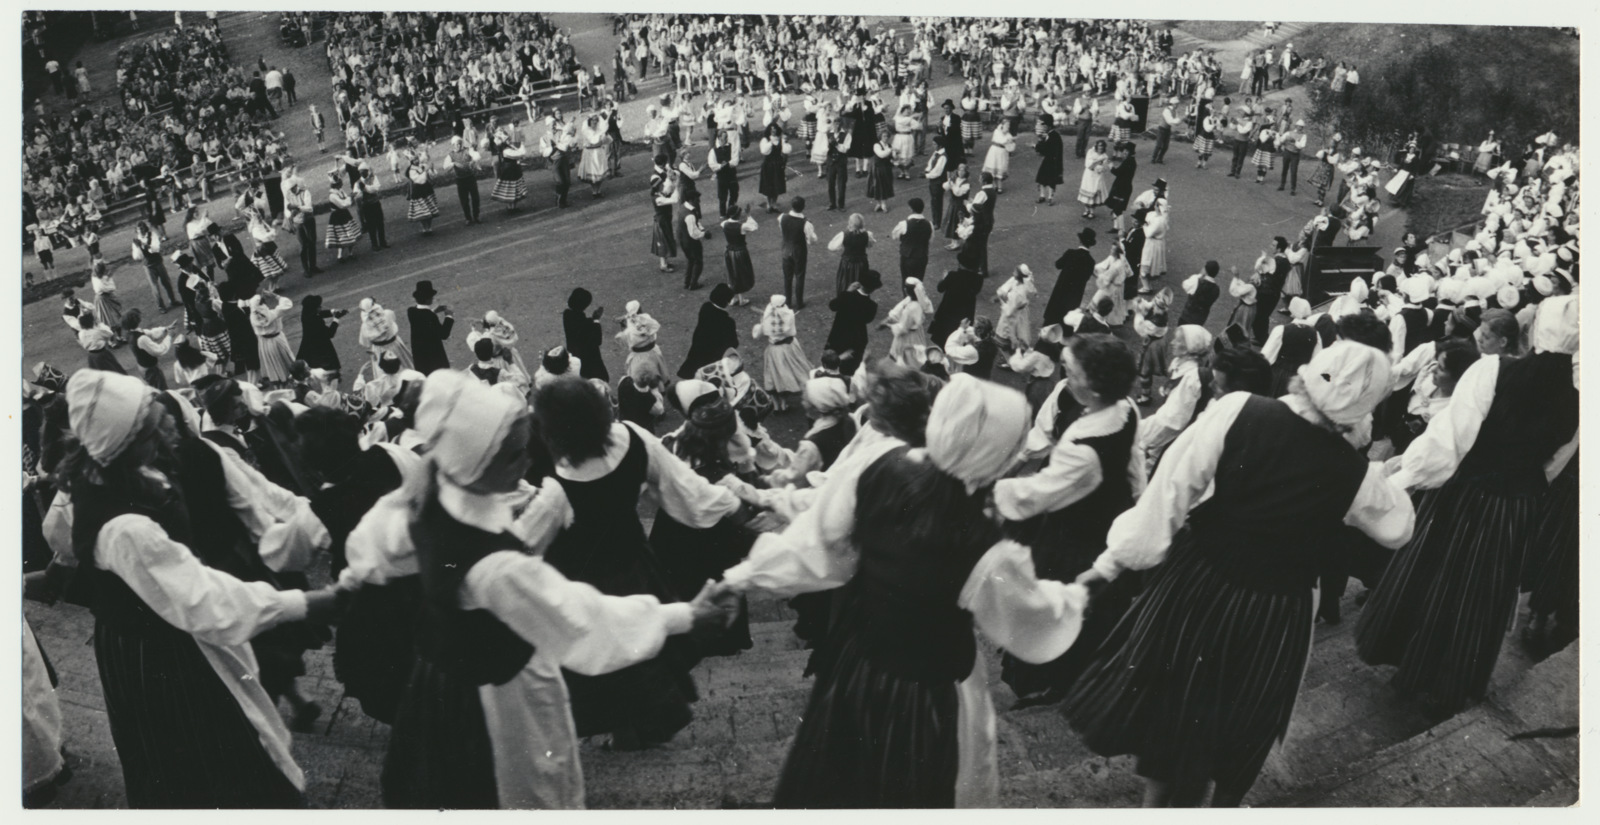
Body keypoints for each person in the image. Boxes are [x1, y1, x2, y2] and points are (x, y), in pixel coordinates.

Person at [342, 371, 734, 809]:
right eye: (513, 457)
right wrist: (685, 615)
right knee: (526, 789)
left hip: (435, 687)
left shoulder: (422, 499)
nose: (528, 462)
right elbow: (580, 618)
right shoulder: (496, 568)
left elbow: (367, 547)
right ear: (475, 462)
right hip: (497, 692)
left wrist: (353, 580)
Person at [1064, 342, 1415, 807]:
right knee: (1246, 709)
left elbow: (1168, 495)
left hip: (1200, 581)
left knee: (1179, 698)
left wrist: (1110, 565)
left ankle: (1159, 801)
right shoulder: (1356, 475)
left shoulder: (1237, 411)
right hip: (1275, 606)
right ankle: (1220, 803)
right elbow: (1397, 527)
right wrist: (1379, 472)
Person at [720, 374, 1092, 807]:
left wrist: (742, 577)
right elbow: (1028, 620)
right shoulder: (983, 542)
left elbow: (820, 552)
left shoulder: (882, 466)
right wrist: (1079, 595)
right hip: (927, 690)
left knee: (840, 774)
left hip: (857, 661)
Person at [59, 370, 341, 807]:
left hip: (159, 626)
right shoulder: (125, 529)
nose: (166, 436)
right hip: (162, 650)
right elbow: (200, 599)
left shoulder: (110, 478)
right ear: (123, 444)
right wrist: (307, 601)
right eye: (152, 431)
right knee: (217, 760)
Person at [1356, 296, 1579, 718]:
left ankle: (1412, 668)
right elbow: (1552, 466)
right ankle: (1451, 683)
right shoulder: (1578, 399)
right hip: (1514, 508)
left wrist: (1400, 482)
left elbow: (1448, 443)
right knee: (1481, 594)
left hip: (1466, 495)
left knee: (1435, 578)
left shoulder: (1492, 369)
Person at [534, 376, 757, 751]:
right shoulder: (633, 438)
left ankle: (622, 731)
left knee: (605, 657)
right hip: (633, 564)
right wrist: (734, 504)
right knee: (643, 649)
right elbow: (686, 489)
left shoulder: (549, 475)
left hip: (580, 578)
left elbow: (525, 540)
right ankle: (643, 724)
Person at [996, 334, 1143, 705]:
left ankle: (1044, 680)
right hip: (1104, 515)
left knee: (1053, 603)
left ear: (1092, 385)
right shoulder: (1125, 409)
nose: (1064, 375)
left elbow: (1036, 495)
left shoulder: (1084, 451)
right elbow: (1134, 466)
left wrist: (989, 490)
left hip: (1074, 534)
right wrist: (1136, 504)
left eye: (1071, 371)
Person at [755, 295, 813, 411]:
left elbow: (757, 334)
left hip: (773, 350)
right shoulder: (789, 315)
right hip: (788, 347)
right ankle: (783, 403)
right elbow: (791, 331)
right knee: (789, 373)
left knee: (773, 375)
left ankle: (776, 406)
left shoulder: (767, 316)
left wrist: (762, 322)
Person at [928, 246, 986, 347]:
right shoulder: (978, 279)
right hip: (965, 312)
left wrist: (944, 278)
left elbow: (940, 288)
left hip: (949, 310)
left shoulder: (953, 276)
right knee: (960, 339)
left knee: (943, 338)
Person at [679, 284, 740, 379]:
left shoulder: (705, 308)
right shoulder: (727, 322)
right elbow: (733, 343)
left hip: (699, 348)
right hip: (713, 357)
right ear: (726, 302)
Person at [826, 270, 882, 364]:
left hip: (839, 333)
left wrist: (847, 291)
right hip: (857, 336)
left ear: (859, 283)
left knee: (834, 358)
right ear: (873, 289)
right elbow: (868, 320)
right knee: (853, 361)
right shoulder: (872, 306)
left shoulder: (846, 296)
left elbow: (832, 306)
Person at [1046, 228, 1097, 327]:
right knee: (1067, 318)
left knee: (1053, 315)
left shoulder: (1070, 253)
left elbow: (1058, 265)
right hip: (1075, 294)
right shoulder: (1091, 261)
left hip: (1061, 289)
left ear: (1080, 240)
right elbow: (1086, 278)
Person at [778, 197, 818, 309]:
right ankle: (799, 302)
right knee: (800, 275)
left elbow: (782, 230)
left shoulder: (782, 217)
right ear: (803, 207)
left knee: (787, 276)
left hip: (786, 248)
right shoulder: (806, 223)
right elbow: (811, 240)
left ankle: (788, 302)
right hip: (799, 250)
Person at [563, 288, 609, 382]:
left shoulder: (567, 315)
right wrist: (596, 320)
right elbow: (597, 340)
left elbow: (580, 323)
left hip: (574, 354)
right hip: (588, 360)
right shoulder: (587, 325)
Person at [408, 281, 455, 374]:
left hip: (420, 357)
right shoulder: (430, 316)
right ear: (428, 299)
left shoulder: (411, 311)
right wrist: (449, 316)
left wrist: (433, 311)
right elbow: (444, 334)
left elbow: (423, 315)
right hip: (434, 357)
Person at [883, 278, 932, 366]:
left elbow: (902, 328)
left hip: (908, 336)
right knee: (915, 354)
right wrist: (890, 318)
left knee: (907, 356)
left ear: (906, 290)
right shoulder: (915, 301)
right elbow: (900, 306)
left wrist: (888, 325)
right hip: (917, 333)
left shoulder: (911, 309)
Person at [295, 295, 344, 383]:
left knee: (316, 362)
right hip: (322, 343)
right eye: (319, 306)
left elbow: (319, 313)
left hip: (309, 343)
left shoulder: (306, 314)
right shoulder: (316, 321)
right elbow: (330, 333)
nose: (320, 307)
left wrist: (331, 312)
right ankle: (332, 377)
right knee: (328, 361)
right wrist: (336, 319)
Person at [829, 213, 876, 297]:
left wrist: (844, 245)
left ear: (850, 223)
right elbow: (870, 245)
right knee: (862, 284)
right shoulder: (867, 234)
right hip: (862, 263)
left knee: (845, 283)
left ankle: (845, 302)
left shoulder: (844, 234)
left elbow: (831, 247)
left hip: (848, 263)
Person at [890, 197, 934, 285]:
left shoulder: (904, 224)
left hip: (908, 256)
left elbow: (894, 236)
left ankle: (908, 297)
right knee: (919, 282)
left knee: (906, 282)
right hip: (922, 256)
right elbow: (931, 239)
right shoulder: (929, 224)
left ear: (911, 209)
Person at [722, 205, 759, 306]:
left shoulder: (724, 223)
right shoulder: (742, 226)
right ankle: (741, 299)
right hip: (740, 252)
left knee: (731, 274)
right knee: (740, 274)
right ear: (738, 214)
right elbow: (755, 226)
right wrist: (749, 215)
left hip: (729, 251)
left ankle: (733, 298)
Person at [445, 135, 483, 225]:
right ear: (453, 145)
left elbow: (477, 155)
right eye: (457, 144)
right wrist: (453, 164)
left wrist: (473, 161)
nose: (459, 145)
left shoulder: (467, 150)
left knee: (475, 198)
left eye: (460, 143)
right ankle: (468, 218)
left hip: (470, 178)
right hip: (460, 180)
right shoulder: (451, 155)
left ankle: (476, 216)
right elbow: (446, 167)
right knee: (464, 200)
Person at [324, 177, 362, 263]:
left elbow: (346, 201)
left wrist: (349, 197)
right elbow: (343, 204)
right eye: (339, 183)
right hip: (338, 217)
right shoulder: (332, 196)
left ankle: (350, 253)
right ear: (335, 185)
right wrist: (350, 197)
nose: (341, 184)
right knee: (342, 236)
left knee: (350, 233)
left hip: (344, 214)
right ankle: (339, 256)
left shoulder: (340, 191)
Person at [758, 123, 792, 213]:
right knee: (769, 186)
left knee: (777, 186)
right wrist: (771, 142)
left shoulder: (781, 140)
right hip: (768, 166)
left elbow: (787, 150)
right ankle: (769, 205)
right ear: (769, 130)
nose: (773, 131)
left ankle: (774, 204)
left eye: (775, 129)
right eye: (771, 129)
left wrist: (785, 142)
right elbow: (764, 151)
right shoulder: (765, 140)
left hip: (778, 166)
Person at [1034, 114, 1064, 205]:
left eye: (1043, 125)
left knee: (1051, 180)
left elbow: (1048, 149)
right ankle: (1042, 195)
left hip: (1054, 161)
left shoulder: (1054, 136)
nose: (1042, 127)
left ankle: (1050, 197)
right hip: (1048, 160)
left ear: (1048, 125)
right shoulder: (1047, 135)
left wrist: (1037, 146)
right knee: (1042, 178)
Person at [1079, 140, 1111, 220]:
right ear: (1096, 146)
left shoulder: (1105, 156)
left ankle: (1092, 211)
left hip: (1097, 177)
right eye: (1099, 146)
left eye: (1102, 146)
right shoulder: (1090, 152)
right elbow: (1088, 165)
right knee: (1086, 191)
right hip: (1088, 175)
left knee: (1094, 192)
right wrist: (1097, 162)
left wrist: (1101, 167)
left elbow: (1104, 168)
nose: (1101, 147)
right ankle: (1086, 210)